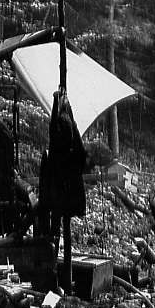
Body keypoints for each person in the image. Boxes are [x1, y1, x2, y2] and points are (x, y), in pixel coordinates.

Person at [36, 89, 88, 293]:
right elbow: (81, 148)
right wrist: (67, 107)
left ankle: (55, 277)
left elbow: (52, 127)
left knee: (55, 233)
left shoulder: (57, 146)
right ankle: (63, 277)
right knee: (63, 233)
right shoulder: (74, 148)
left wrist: (57, 101)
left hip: (57, 196)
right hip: (68, 196)